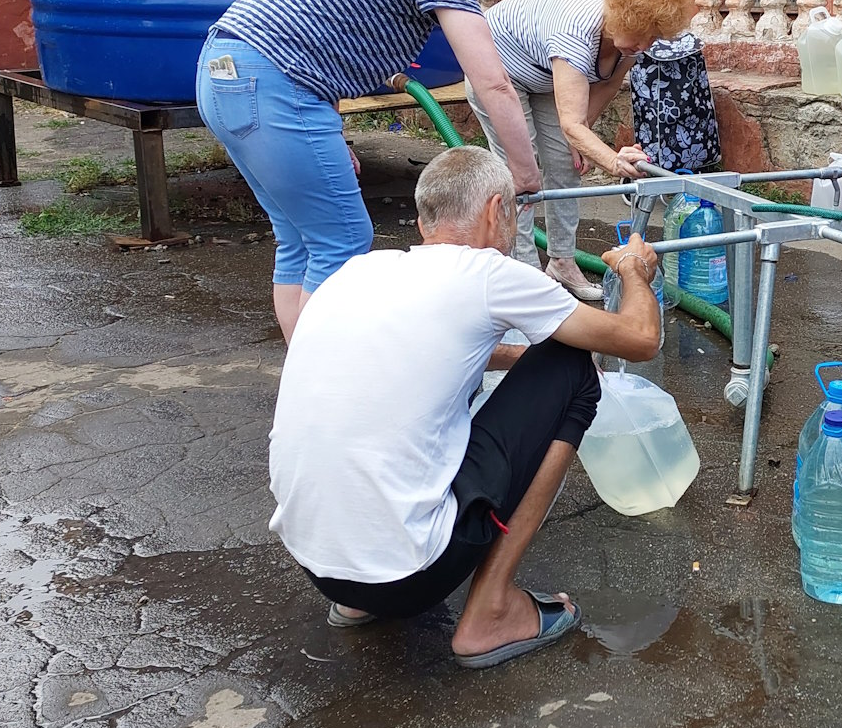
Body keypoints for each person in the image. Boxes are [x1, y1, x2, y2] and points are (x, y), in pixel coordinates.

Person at [267, 145, 663, 667]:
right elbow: (639, 338)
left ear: (422, 220)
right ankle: (491, 612)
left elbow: (436, 349)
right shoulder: (487, 274)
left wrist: (519, 360)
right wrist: (635, 271)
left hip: (317, 565)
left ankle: (357, 602)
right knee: (571, 368)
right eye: (515, 213)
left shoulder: (356, 272)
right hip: (409, 578)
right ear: (497, 210)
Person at [196, 0, 542, 343]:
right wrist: (524, 171)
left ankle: (305, 377)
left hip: (225, 74)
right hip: (274, 87)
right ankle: (327, 383)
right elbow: (493, 82)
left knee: (299, 240)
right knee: (343, 242)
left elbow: (318, 29)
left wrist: (329, 129)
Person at [478, 0, 695, 299]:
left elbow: (605, 88)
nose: (646, 46)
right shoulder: (577, 33)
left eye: (652, 37)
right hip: (496, 71)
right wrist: (611, 160)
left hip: (541, 76)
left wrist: (582, 142)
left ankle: (562, 261)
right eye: (642, 35)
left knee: (565, 165)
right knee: (522, 174)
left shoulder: (631, 39)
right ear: (620, 19)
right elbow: (570, 123)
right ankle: (524, 275)